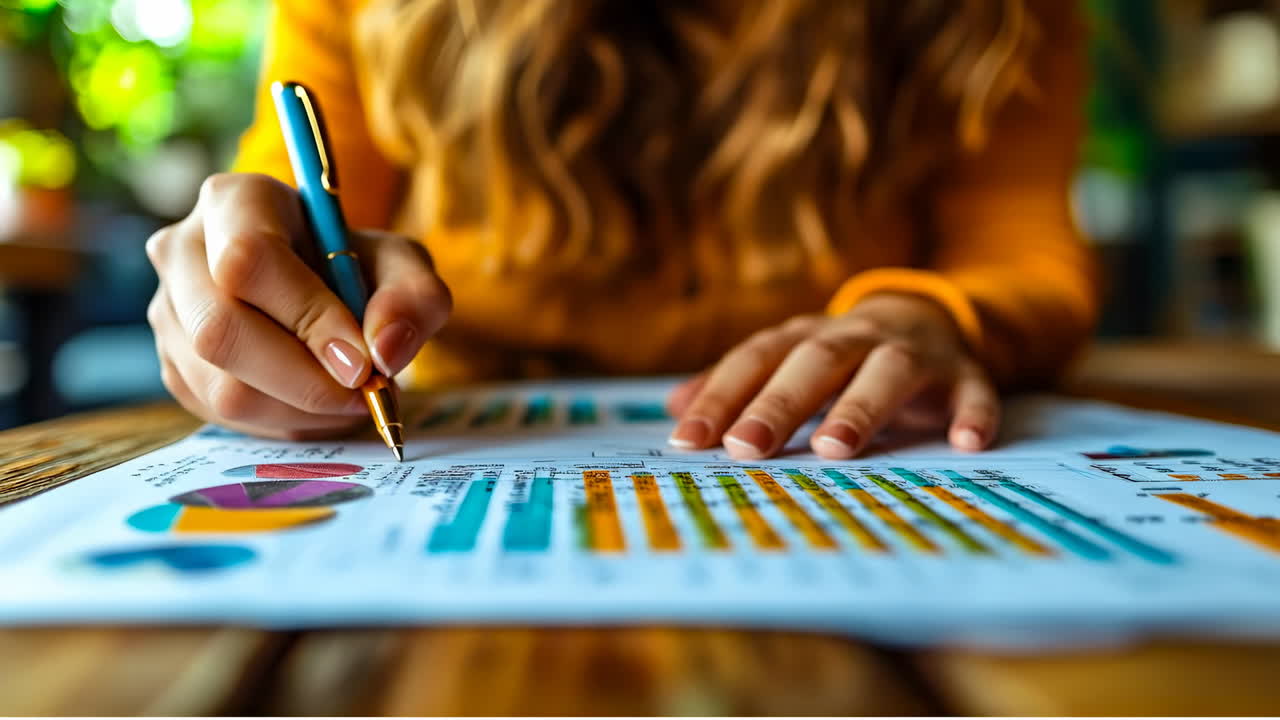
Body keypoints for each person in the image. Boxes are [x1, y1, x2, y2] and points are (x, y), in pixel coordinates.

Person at [145, 0, 1097, 460]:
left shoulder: (988, 15)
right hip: (464, 454)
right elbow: (291, 209)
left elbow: (1023, 252)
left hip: (847, 453)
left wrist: (923, 316)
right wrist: (241, 292)